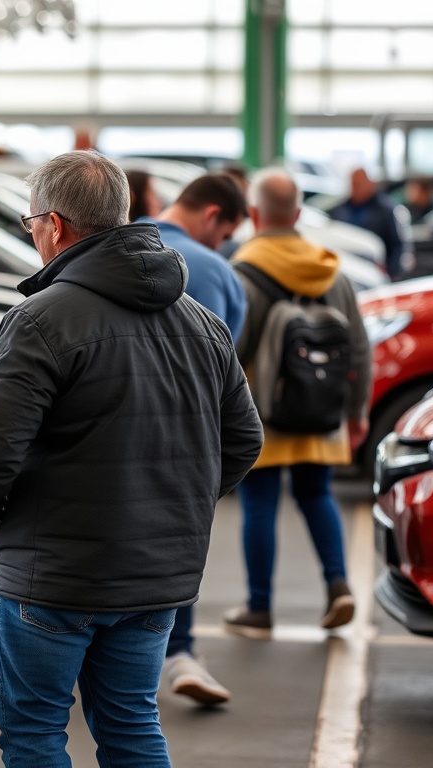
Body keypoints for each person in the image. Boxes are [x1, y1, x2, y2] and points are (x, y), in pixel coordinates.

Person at [0, 149, 263, 767]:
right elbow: (243, 440)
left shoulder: (40, 320)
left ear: (56, 225)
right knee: (131, 726)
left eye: (30, 222)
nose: (31, 234)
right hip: (156, 576)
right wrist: (179, 506)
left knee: (36, 733)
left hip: (51, 571)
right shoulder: (200, 321)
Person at [224, 167, 371, 640]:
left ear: (253, 214)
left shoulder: (242, 272)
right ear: (300, 214)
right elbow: (361, 347)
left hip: (262, 412)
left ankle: (259, 609)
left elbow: (230, 350)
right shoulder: (333, 271)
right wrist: (357, 412)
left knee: (260, 505)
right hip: (321, 410)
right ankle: (338, 585)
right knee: (317, 495)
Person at [138, 172, 248, 705]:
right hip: (187, 450)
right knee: (172, 550)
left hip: (101, 447)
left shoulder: (104, 251)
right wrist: (211, 481)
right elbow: (236, 406)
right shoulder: (216, 273)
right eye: (224, 232)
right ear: (212, 217)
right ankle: (178, 650)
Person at [140, 173, 248, 341]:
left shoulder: (118, 242)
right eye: (225, 236)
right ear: (211, 215)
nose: (218, 247)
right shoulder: (215, 271)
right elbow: (214, 360)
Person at [328, 167, 407, 279]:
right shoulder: (340, 209)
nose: (354, 188)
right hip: (347, 268)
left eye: (358, 184)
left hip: (375, 271)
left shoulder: (386, 210)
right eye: (353, 184)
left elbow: (396, 243)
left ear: (369, 184)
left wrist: (393, 272)